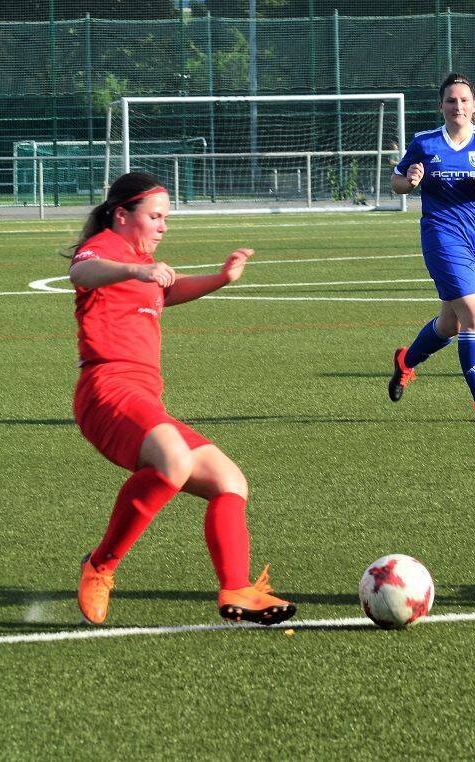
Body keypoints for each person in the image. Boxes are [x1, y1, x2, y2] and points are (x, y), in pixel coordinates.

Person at [69, 171, 296, 626]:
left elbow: (166, 291)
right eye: (155, 216)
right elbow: (81, 272)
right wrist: (137, 270)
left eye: (166, 218)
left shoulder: (142, 261)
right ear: (121, 215)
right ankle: (100, 565)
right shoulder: (106, 249)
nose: (163, 226)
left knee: (229, 482)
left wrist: (222, 278)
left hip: (144, 397)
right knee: (173, 462)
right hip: (106, 388)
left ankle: (237, 588)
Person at [388, 73, 475, 422]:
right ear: (441, 106)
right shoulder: (425, 142)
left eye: (463, 100)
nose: (457, 106)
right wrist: (409, 181)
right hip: (441, 235)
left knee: (450, 324)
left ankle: (406, 361)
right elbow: (397, 181)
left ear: (474, 105)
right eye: (450, 100)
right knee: (473, 312)